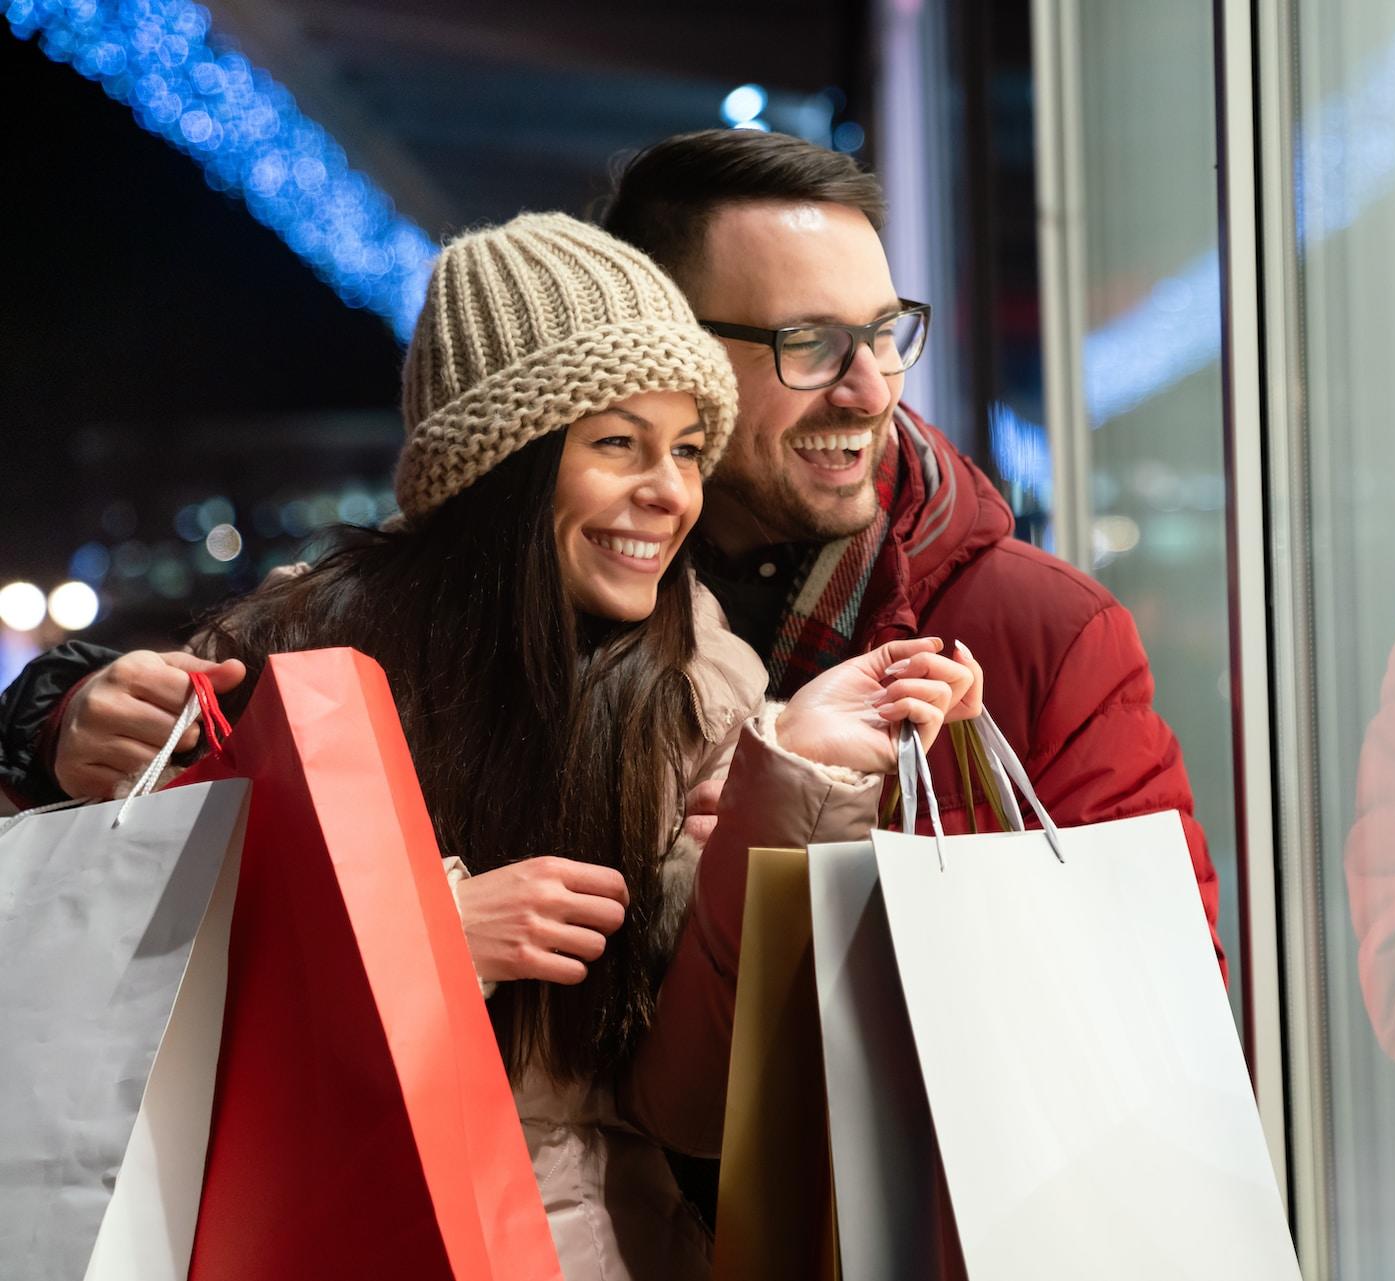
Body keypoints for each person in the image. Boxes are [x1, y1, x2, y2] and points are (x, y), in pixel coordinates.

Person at [9, 212, 981, 1281]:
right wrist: (418, 944)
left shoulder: (704, 688)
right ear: (501, 464)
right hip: (303, 1230)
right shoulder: (283, 657)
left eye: (690, 449)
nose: (670, 492)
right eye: (618, 443)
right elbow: (135, 997)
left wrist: (796, 775)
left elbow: (691, 1105)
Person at [1, 128, 1225, 968]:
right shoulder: (496, 614)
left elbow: (1154, 977)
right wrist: (57, 720)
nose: (870, 389)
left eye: (884, 332)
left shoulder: (1034, 629)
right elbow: (135, 884)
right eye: (807, 341)